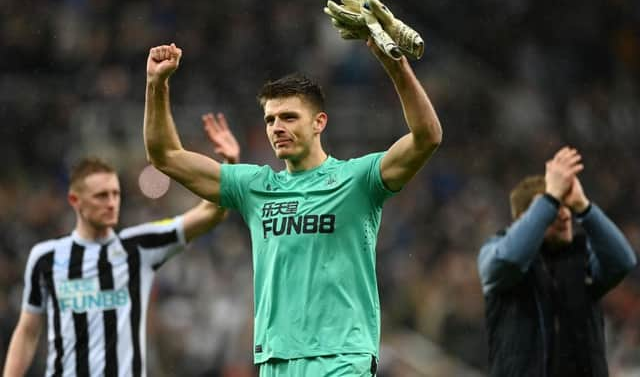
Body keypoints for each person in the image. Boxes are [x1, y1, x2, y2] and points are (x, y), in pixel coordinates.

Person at [143, 25, 442, 376]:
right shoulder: (256, 186)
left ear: (319, 122)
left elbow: (427, 137)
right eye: (270, 119)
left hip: (341, 357)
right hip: (276, 360)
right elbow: (165, 156)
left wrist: (395, 66)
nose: (276, 127)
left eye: (288, 117)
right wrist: (156, 84)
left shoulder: (358, 180)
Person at [2, 114, 240, 377]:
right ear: (75, 200)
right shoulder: (45, 257)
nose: (112, 202)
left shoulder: (139, 247)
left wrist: (229, 167)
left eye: (116, 194)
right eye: (101, 196)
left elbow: (211, 214)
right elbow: (27, 331)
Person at [477, 146, 637, 377]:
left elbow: (623, 262)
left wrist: (584, 207)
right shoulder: (494, 252)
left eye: (566, 206)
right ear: (524, 218)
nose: (564, 214)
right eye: (554, 208)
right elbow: (509, 260)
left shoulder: (583, 261)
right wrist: (550, 197)